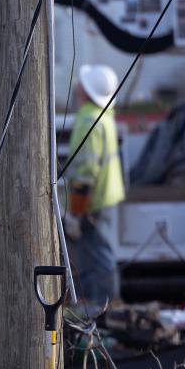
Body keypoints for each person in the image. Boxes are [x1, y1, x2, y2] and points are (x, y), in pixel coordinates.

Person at [64, 65, 126, 306]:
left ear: (87, 91)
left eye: (81, 82)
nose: (77, 85)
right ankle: (102, 306)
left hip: (93, 202)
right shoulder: (104, 116)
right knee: (97, 254)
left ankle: (105, 309)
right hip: (104, 198)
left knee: (97, 256)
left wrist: (77, 213)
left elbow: (86, 173)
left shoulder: (89, 119)